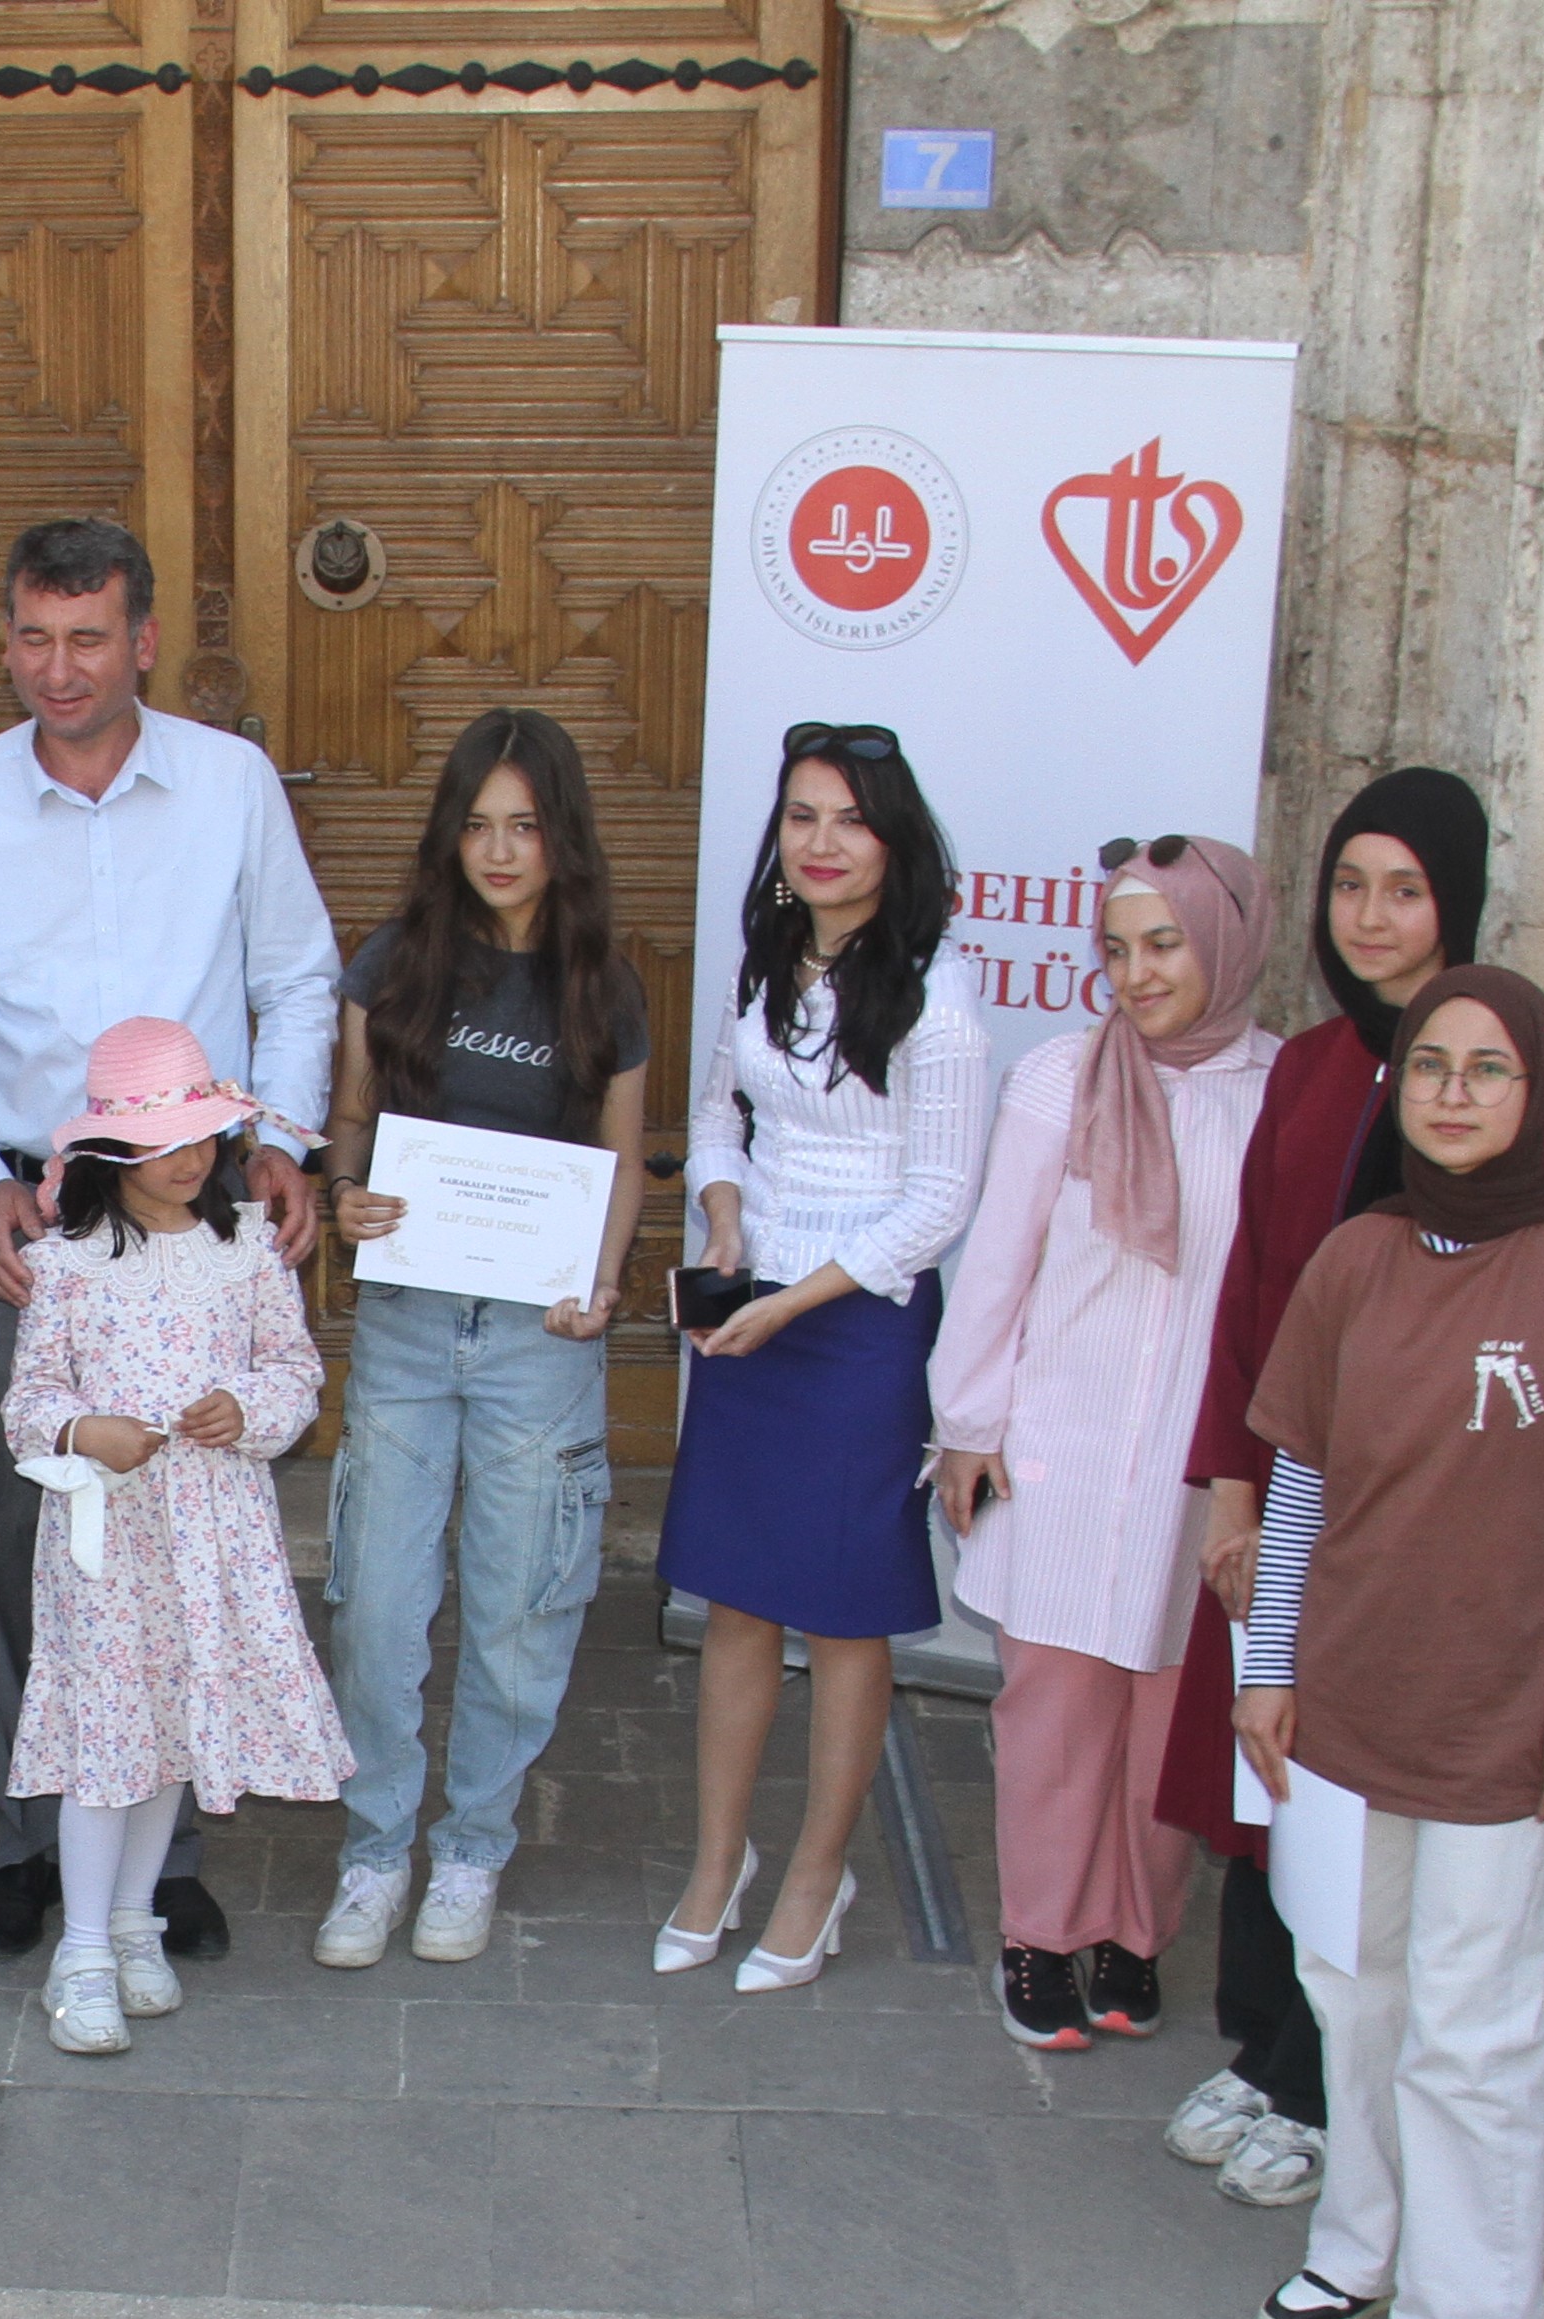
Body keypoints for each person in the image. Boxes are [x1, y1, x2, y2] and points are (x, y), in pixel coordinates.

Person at [1230, 964, 1544, 2319]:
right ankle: (1362, 2248)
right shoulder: (1357, 1259)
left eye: (1489, 1070)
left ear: (1539, 1091)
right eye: (1432, 1067)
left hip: (1504, 1717)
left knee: (1472, 2029)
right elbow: (1298, 1479)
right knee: (1352, 1987)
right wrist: (1266, 1668)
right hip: (1350, 1695)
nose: (1457, 1094)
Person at [0, 517, 333, 1974]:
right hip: (14, 1215)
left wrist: (288, 1144)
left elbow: (298, 977)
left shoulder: (230, 785)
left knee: (186, 1518)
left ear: (142, 642)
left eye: (87, 639)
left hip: (191, 1215)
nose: (56, 669)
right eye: (31, 637)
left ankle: (165, 1854)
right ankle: (31, 1839)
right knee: (14, 1526)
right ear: (5, 638)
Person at [1157, 770, 1491, 2207]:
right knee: (1260, 1771)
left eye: (1404, 890)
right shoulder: (1306, 1066)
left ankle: (1316, 2085)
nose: (1371, 915)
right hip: (1280, 1468)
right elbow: (1252, 1291)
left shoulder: (1472, 1069)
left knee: (1344, 1788)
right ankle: (1262, 2043)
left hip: (1389, 1488)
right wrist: (1233, 1483)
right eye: (1351, 885)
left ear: (1456, 904)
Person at [316, 709, 652, 1968]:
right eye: (476, 826)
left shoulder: (602, 982)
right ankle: (370, 1854)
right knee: (378, 1611)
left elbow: (621, 1159)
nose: (499, 851)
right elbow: (349, 1122)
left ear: (561, 835)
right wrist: (349, 1199)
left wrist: (603, 1279)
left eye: (523, 826)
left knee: (519, 1615)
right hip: (405, 1328)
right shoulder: (394, 962)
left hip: (538, 1335)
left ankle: (469, 1851)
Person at [659, 724, 990, 1992]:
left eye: (849, 818)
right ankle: (716, 1861)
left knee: (845, 1618)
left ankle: (817, 1872)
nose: (823, 842)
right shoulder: (769, 963)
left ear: (894, 839)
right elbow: (715, 1116)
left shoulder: (939, 1002)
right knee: (738, 1598)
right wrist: (728, 1214)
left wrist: (796, 1302)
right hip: (756, 1305)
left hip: (858, 1326)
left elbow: (940, 1202)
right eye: (801, 816)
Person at [932, 838, 1278, 2050]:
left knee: (1166, 1726)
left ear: (1226, 942)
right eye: (1118, 949)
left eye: (1165, 944)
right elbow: (995, 1271)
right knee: (1054, 1716)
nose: (1135, 974)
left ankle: (1136, 1935)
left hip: (1203, 1471)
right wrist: (968, 1425)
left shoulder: (1281, 1095)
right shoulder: (1059, 1082)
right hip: (1062, 1453)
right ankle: (1039, 1937)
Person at [2, 1020, 351, 2051]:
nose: (191, 1158)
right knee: (107, 1737)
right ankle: (81, 1956)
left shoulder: (245, 1249)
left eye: (203, 1136)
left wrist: (246, 1409)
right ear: (112, 1157)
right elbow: (27, 1404)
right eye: (164, 1142)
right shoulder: (63, 1267)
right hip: (106, 1545)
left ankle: (130, 1919)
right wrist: (81, 1431)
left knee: (170, 1738)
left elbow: (295, 1372)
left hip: (211, 1537)